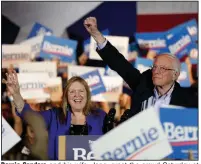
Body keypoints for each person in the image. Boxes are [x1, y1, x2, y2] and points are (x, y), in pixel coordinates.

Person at [84, 17, 198, 116]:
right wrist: (96, 35)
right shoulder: (143, 85)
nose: (156, 71)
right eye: (155, 67)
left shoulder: (188, 99)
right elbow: (120, 64)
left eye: (163, 68)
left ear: (175, 74)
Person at [3, 70, 106, 160]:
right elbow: (28, 114)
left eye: (81, 91)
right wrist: (16, 94)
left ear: (87, 95)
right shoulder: (54, 115)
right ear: (66, 97)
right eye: (72, 92)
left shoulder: (100, 116)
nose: (77, 95)